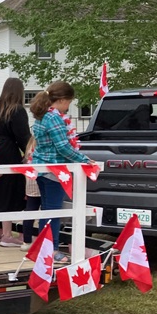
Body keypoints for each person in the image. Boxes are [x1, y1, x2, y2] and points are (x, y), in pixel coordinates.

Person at [30, 81, 94, 263]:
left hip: (43, 169)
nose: (68, 106)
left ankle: (45, 247)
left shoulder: (42, 116)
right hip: (54, 170)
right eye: (69, 102)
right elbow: (63, 147)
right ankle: (51, 250)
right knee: (53, 212)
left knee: (47, 211)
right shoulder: (54, 118)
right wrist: (84, 159)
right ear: (63, 100)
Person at [0, 78, 31, 247]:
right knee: (8, 191)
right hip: (9, 152)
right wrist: (28, 152)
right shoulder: (17, 110)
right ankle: (7, 234)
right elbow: (23, 136)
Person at [21, 136, 41, 248]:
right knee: (45, 212)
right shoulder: (40, 150)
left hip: (30, 185)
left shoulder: (28, 152)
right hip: (40, 182)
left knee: (30, 212)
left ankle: (26, 241)